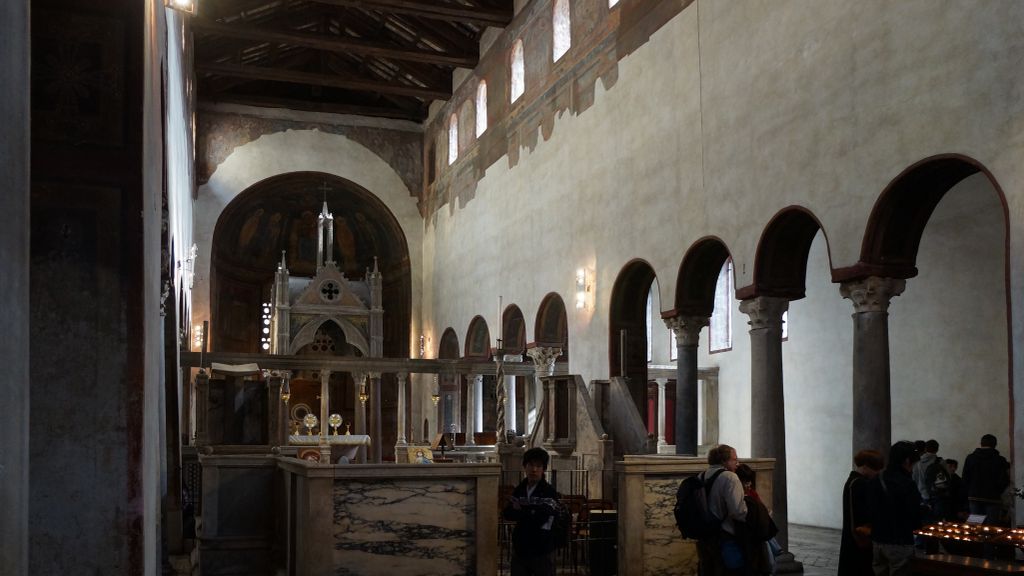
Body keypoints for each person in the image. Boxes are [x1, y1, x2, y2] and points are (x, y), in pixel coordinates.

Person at [502, 447, 561, 576]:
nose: (534, 470)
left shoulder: (548, 491)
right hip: (521, 548)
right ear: (525, 467)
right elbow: (507, 513)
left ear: (543, 469)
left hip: (542, 549)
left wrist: (521, 510)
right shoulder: (520, 489)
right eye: (530, 465)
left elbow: (542, 517)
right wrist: (531, 512)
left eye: (538, 466)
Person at [867, 441, 922, 576]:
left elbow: (869, 508)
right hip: (900, 543)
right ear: (907, 461)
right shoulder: (907, 484)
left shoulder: (876, 479)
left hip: (878, 540)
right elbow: (913, 515)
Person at [696, 444, 748, 576]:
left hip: (705, 534)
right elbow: (737, 512)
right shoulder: (730, 478)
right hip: (726, 534)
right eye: (735, 459)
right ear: (724, 461)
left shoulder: (701, 476)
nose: (737, 463)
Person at [838, 449, 883, 576]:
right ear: (865, 466)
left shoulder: (854, 481)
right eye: (876, 468)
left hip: (855, 536)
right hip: (859, 537)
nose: (878, 472)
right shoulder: (859, 483)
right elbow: (859, 514)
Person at [736, 464, 778, 575]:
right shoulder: (737, 494)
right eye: (745, 481)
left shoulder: (752, 493)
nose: (748, 484)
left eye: (749, 481)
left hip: (756, 534)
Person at [962, 434, 1011, 525]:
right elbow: (1005, 480)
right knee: (992, 528)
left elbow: (965, 478)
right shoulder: (1000, 460)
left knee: (975, 527)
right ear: (995, 445)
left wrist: (969, 492)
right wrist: (997, 491)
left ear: (981, 444)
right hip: (993, 498)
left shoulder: (970, 458)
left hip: (974, 496)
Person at [911, 440, 949, 522]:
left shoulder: (918, 463)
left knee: (925, 520)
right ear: (937, 449)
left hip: (923, 495)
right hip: (938, 495)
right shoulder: (941, 462)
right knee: (937, 521)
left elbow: (914, 479)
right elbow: (948, 478)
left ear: (925, 449)